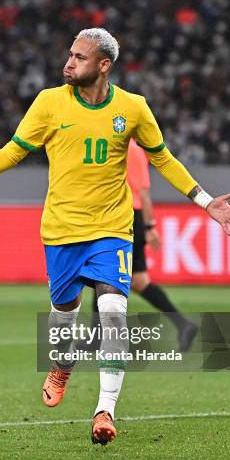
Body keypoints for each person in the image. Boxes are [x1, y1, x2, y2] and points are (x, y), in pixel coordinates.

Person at [0, 28, 230, 446]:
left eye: (79, 57)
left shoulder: (134, 108)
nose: (68, 63)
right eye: (69, 55)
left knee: (113, 315)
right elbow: (13, 150)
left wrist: (204, 201)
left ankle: (105, 410)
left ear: (103, 65)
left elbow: (163, 158)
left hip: (111, 229)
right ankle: (61, 364)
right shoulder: (49, 103)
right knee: (65, 316)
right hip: (60, 230)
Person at [91, 138, 198, 351]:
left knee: (100, 274)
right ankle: (184, 325)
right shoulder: (118, 145)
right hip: (123, 217)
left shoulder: (130, 149)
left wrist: (149, 227)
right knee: (139, 282)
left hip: (127, 218)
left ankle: (97, 337)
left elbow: (142, 191)